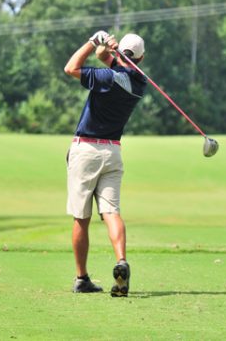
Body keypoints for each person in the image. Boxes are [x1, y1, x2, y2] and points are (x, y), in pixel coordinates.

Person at [63, 30, 147, 297]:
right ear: (141, 58)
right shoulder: (139, 82)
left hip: (86, 150)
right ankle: (121, 260)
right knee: (111, 212)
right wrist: (107, 48)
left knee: (81, 217)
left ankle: (81, 278)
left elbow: (70, 68)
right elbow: (104, 57)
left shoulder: (106, 78)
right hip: (113, 153)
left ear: (121, 52)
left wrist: (91, 40)